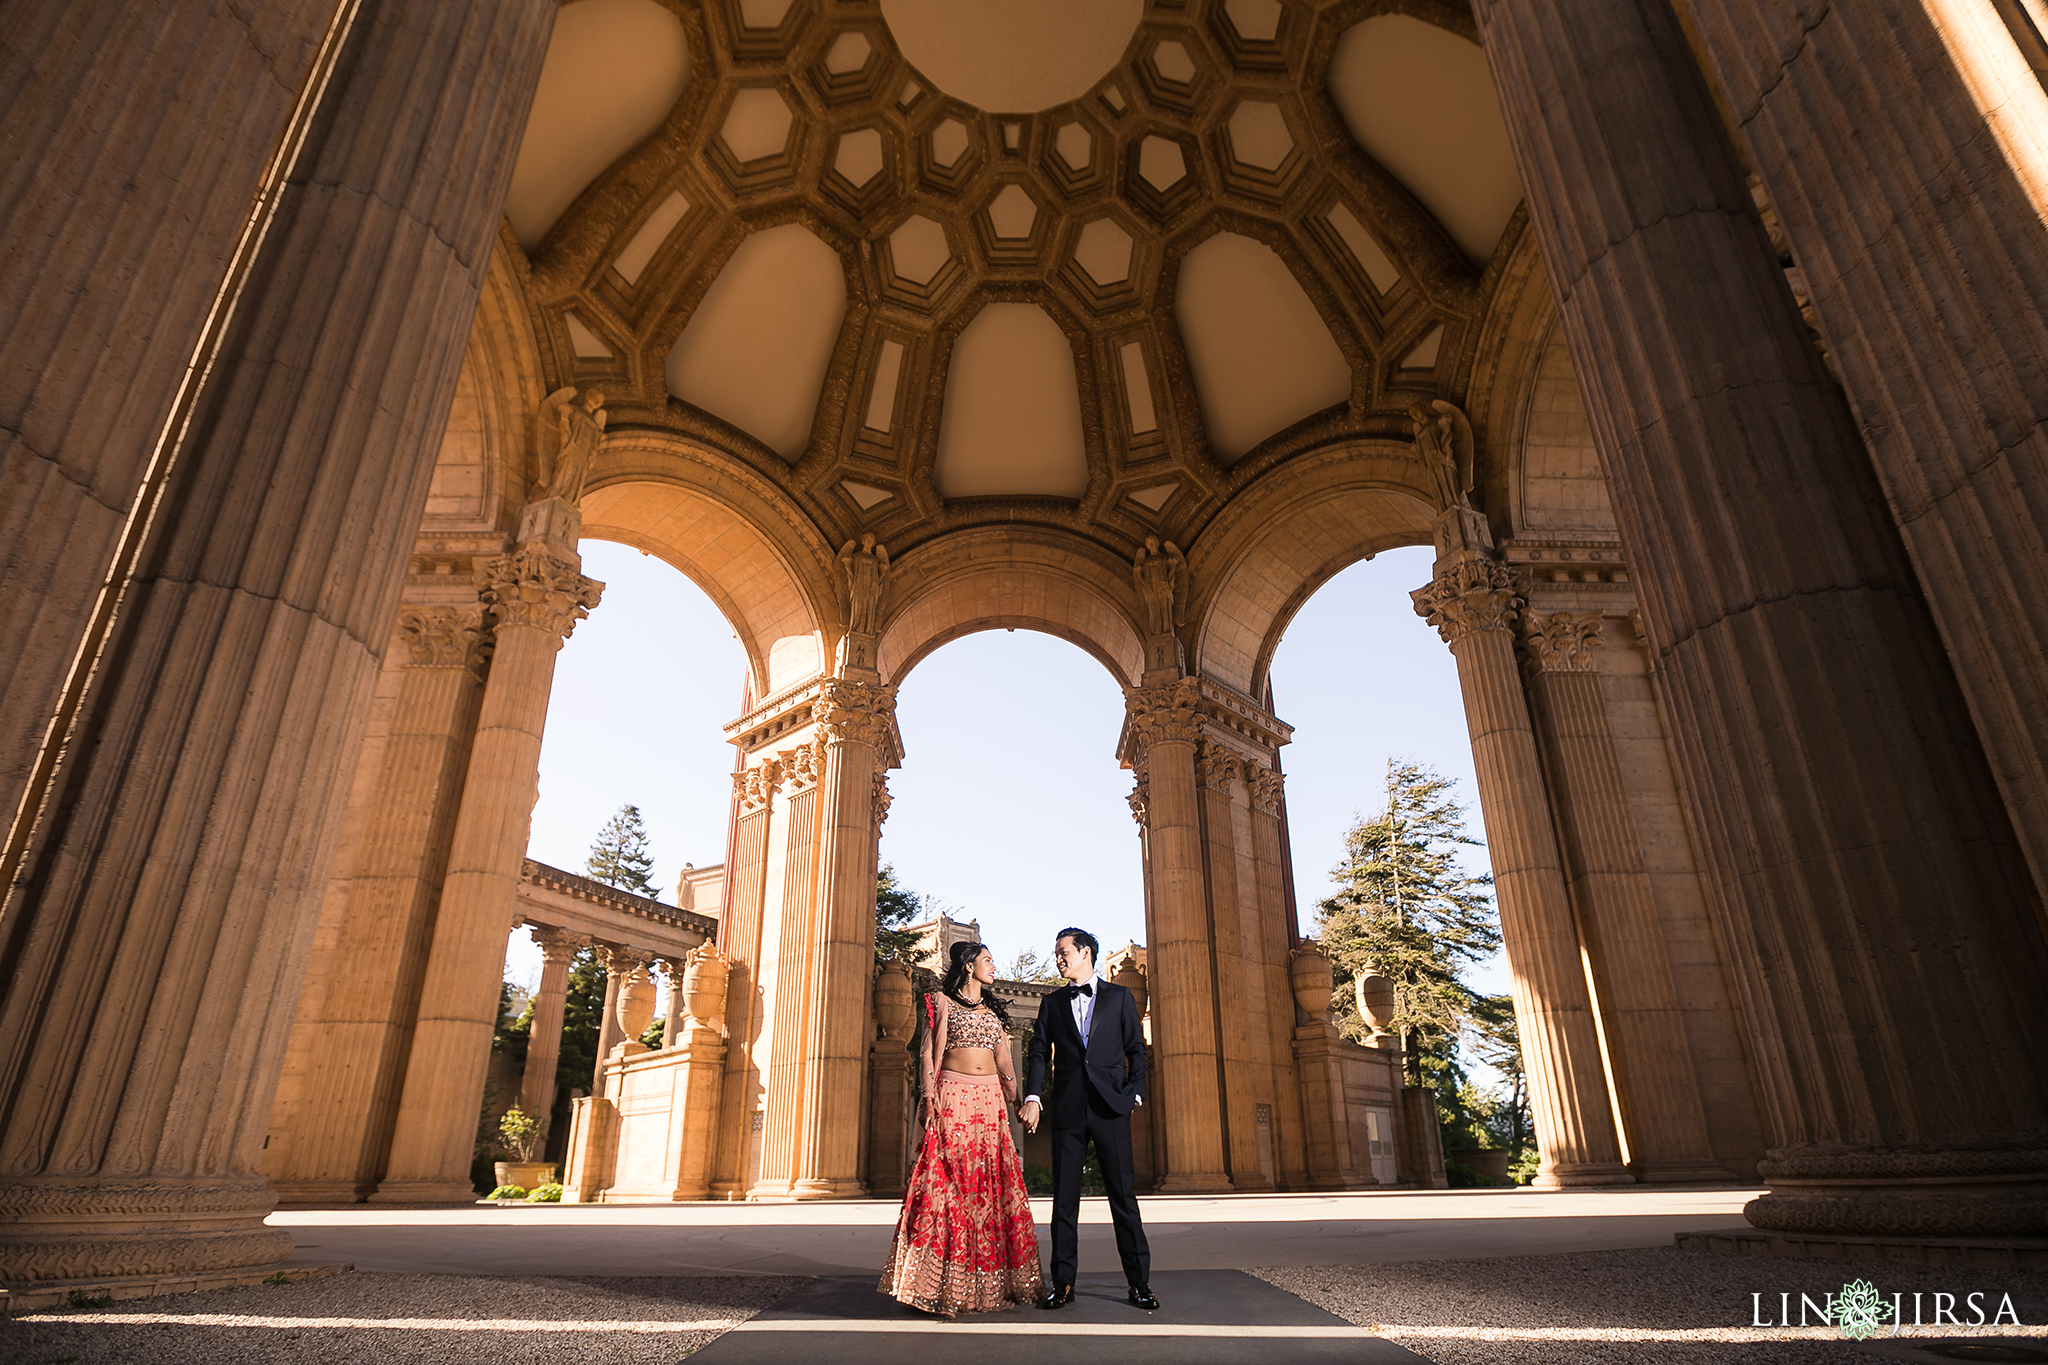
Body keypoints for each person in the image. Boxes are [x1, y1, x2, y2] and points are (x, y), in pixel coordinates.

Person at [878, 941, 1044, 1316]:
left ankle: (988, 1285)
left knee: (988, 1190)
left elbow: (1005, 1065)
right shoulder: (940, 1002)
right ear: (969, 966)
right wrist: (929, 1095)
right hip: (953, 1098)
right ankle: (936, 1287)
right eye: (987, 960)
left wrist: (1019, 1103)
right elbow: (926, 1052)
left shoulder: (993, 1013)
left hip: (990, 1106)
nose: (993, 966)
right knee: (948, 1186)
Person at [1020, 927, 1158, 1312]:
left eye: (1064, 952)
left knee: (1123, 1199)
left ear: (1085, 953)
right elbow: (1036, 1051)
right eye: (1056, 953)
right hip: (1067, 1109)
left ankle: (1139, 1283)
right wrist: (1034, 1094)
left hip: (1111, 1108)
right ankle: (1062, 1284)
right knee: (1064, 1202)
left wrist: (1135, 1090)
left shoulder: (1119, 998)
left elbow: (1136, 1049)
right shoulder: (1051, 1003)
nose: (1058, 958)